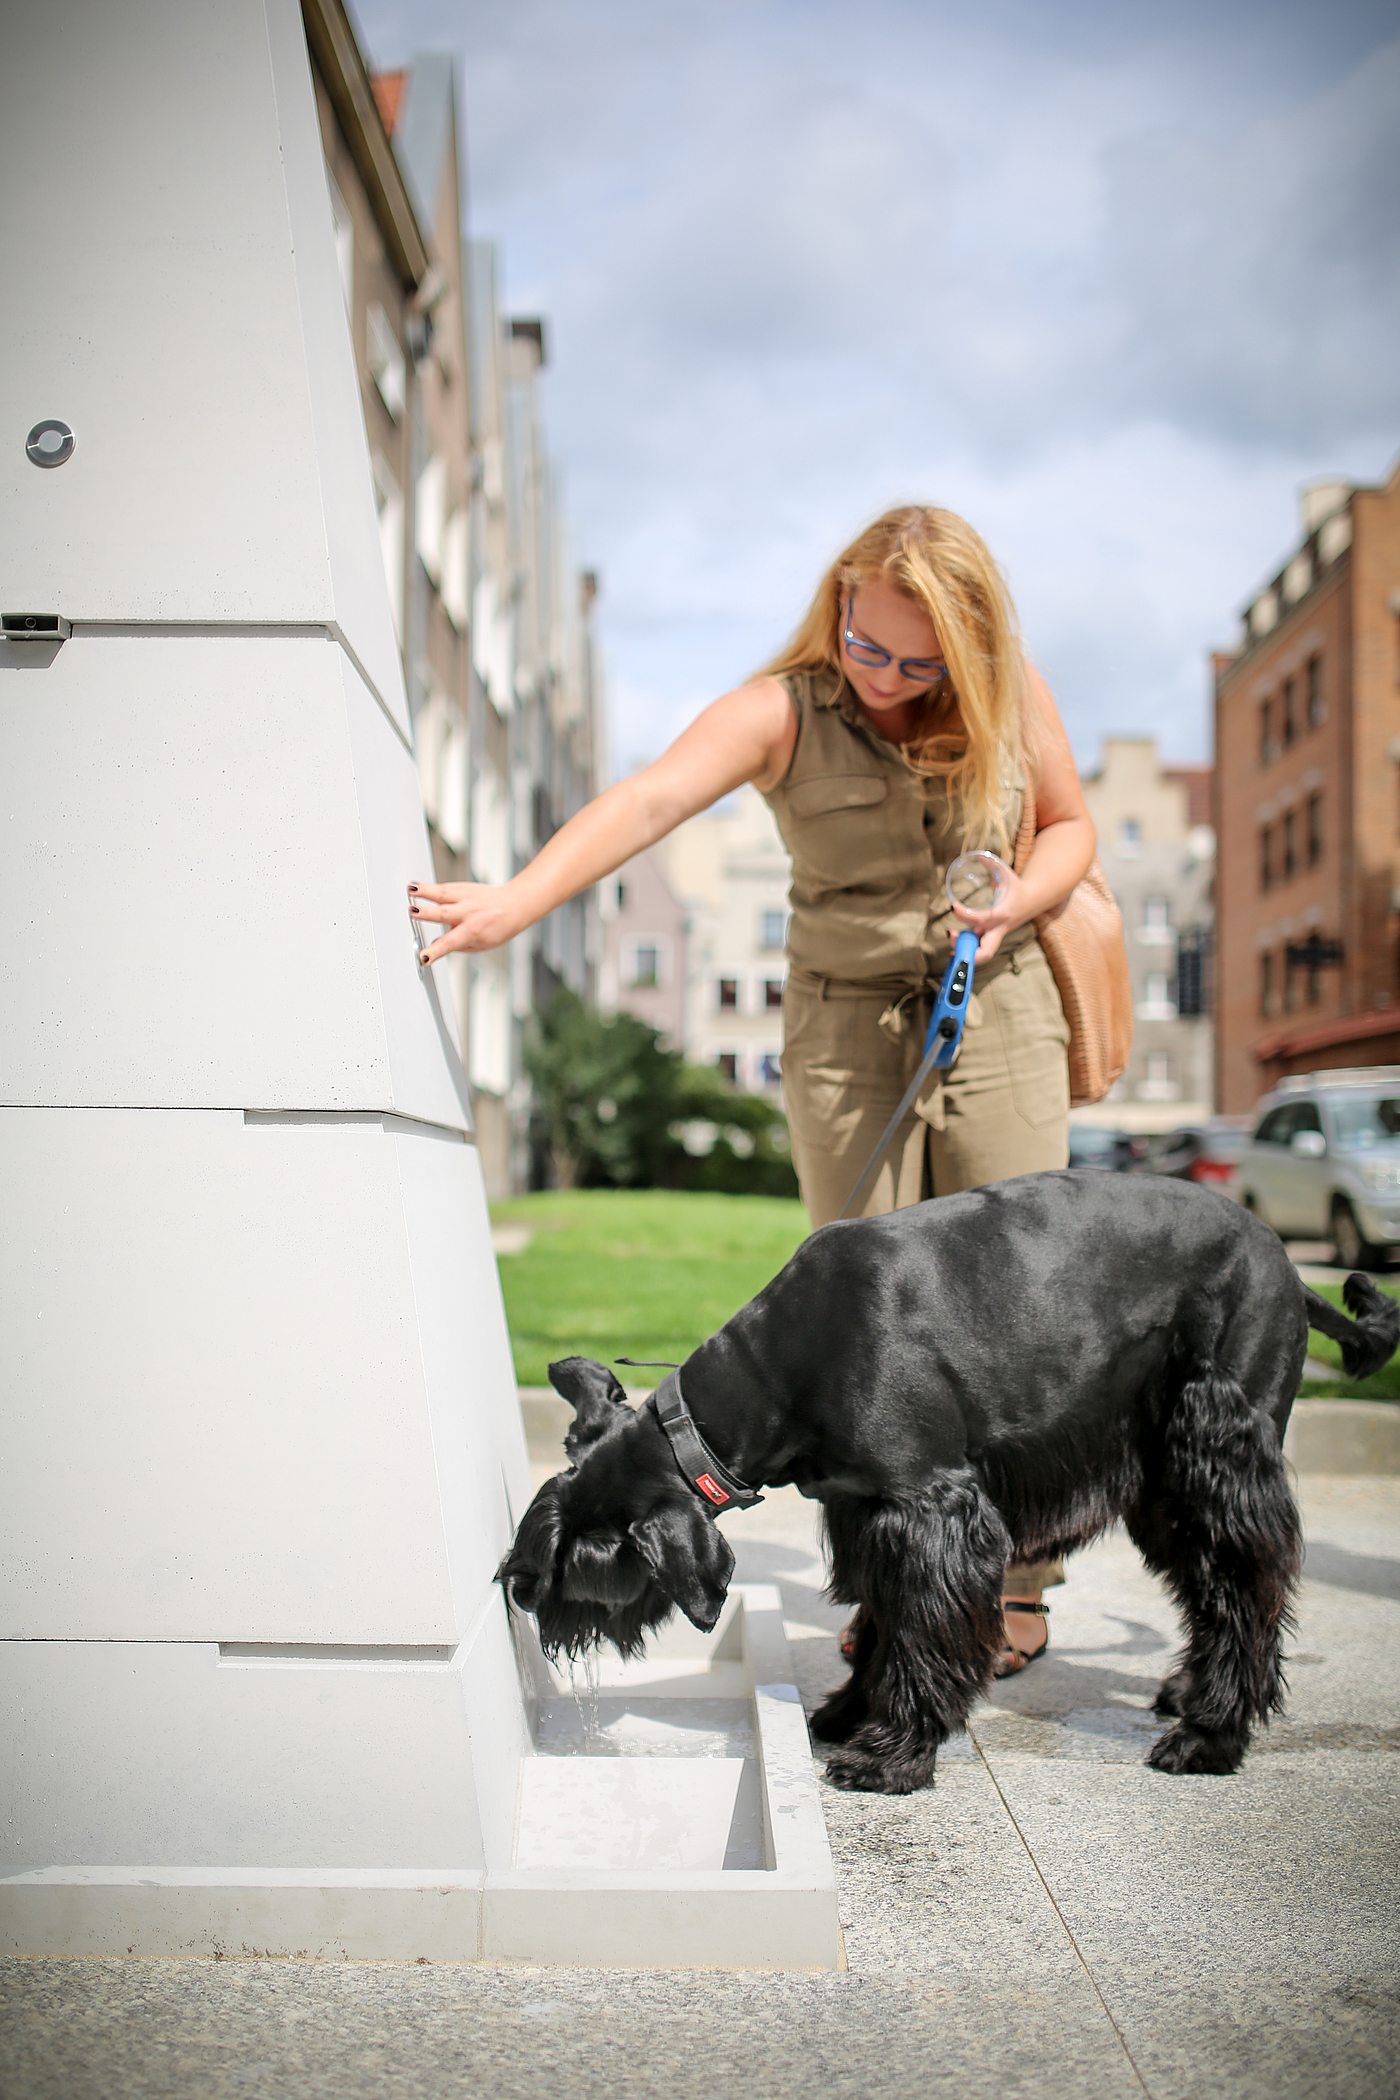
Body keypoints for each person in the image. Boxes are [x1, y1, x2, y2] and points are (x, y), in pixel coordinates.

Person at [409, 505, 1096, 1673]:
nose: (883, 680)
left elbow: (1070, 830)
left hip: (999, 1003)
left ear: (964, 648)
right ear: (838, 602)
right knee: (868, 1317)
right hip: (843, 1025)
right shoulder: (777, 709)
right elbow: (648, 803)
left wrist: (1018, 902)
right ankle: (900, 1583)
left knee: (1013, 1298)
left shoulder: (1006, 688)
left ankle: (1017, 1583)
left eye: (916, 663)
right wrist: (514, 902)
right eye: (867, 646)